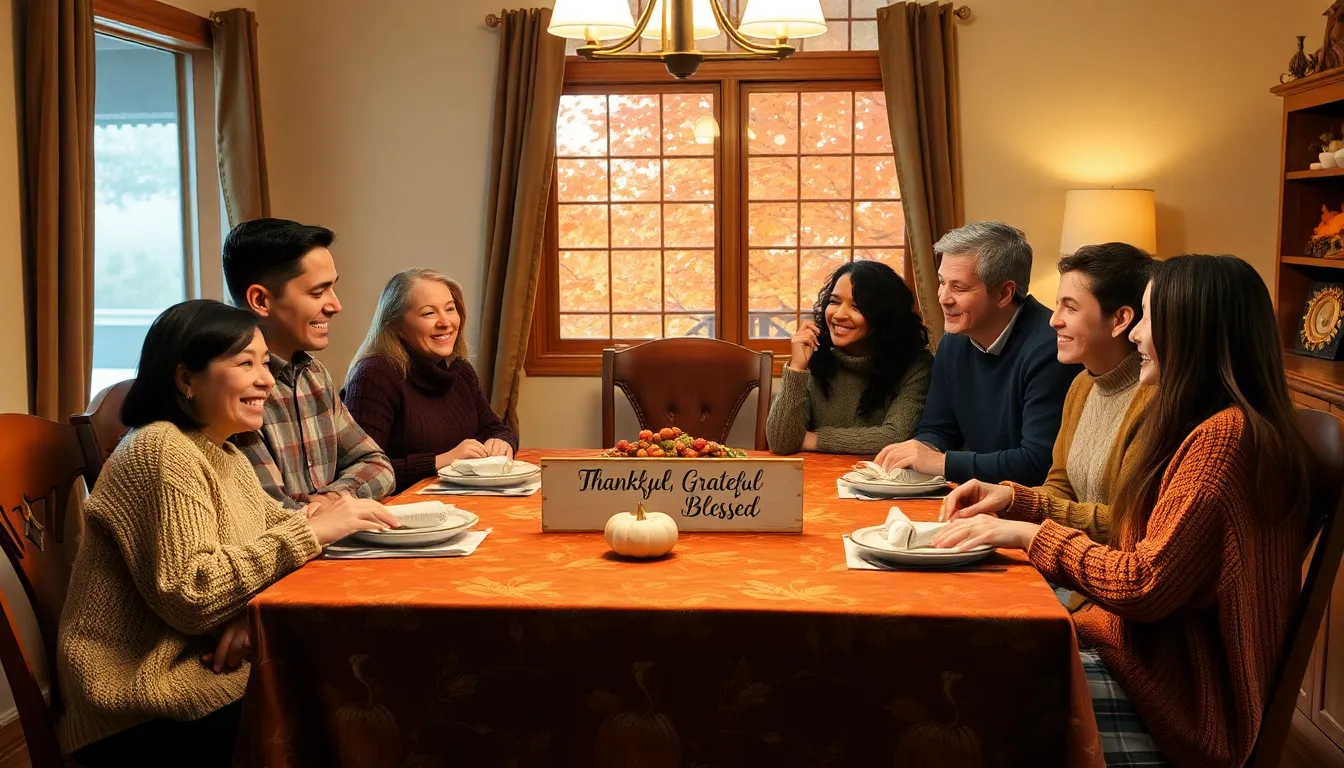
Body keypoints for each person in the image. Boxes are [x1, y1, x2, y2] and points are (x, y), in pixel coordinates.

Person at [933, 255, 1316, 768]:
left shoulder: (1223, 439)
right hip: (1150, 663)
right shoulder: (1211, 425)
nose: (1136, 336)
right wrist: (1019, 502)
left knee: (971, 701)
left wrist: (1029, 536)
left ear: (1191, 330)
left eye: (1150, 319)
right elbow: (1141, 536)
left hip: (1182, 702)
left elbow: (1144, 583)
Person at [57, 300, 399, 766]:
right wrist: (312, 533)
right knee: (350, 698)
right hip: (142, 698)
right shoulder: (161, 451)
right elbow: (195, 594)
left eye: (264, 363)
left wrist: (247, 612)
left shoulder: (224, 454)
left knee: (357, 684)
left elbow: (276, 541)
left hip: (197, 663)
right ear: (185, 379)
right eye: (245, 364)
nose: (265, 379)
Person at [876, 221, 1081, 485]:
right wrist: (919, 451)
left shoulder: (1051, 349)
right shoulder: (954, 341)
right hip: (979, 496)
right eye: (942, 282)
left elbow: (1037, 463)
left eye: (959, 288)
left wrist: (940, 463)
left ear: (1004, 293)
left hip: (1028, 509)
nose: (943, 298)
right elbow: (938, 428)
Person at [982, 242, 1155, 542]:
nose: (1053, 319)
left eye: (1070, 307)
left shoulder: (1154, 398)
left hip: (1104, 580)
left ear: (1120, 320)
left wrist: (1017, 505)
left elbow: (1128, 520)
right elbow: (1060, 486)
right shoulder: (1082, 385)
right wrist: (1003, 501)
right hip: (1070, 577)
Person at [222, 218, 395, 510]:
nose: (335, 305)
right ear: (260, 300)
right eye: (318, 292)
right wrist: (326, 510)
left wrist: (334, 497)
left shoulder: (313, 373)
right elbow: (269, 509)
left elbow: (377, 464)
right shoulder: (232, 386)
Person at [343, 269, 518, 491]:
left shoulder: (459, 369)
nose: (445, 322)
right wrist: (442, 461)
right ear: (396, 325)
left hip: (456, 501)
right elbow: (361, 472)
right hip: (398, 511)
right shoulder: (375, 373)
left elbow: (495, 428)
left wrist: (502, 442)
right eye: (428, 313)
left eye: (450, 309)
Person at [766, 259, 932, 455]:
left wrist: (812, 439)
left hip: (881, 482)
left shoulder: (915, 365)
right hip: (817, 478)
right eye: (834, 302)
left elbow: (896, 437)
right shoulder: (813, 355)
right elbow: (780, 442)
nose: (839, 315)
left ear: (884, 316)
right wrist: (796, 368)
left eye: (856, 306)